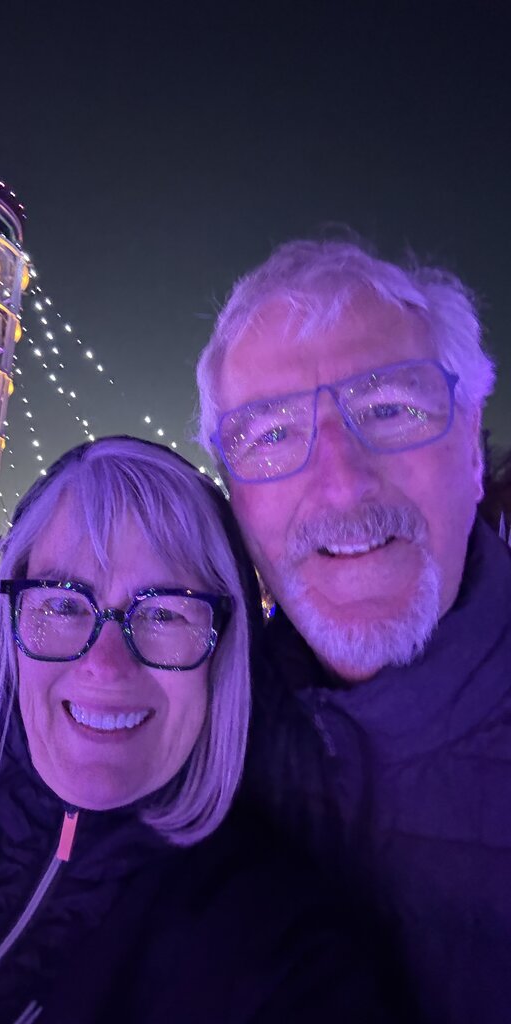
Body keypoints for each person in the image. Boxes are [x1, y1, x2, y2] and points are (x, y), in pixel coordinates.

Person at [0, 436, 406, 1024]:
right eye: (63, 604)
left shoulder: (282, 950)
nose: (104, 665)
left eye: (165, 613)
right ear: (12, 625)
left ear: (226, 650)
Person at [196, 238, 511, 1024]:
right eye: (271, 435)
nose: (341, 486)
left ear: (473, 447)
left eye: (390, 410)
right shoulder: (201, 738)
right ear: (235, 497)